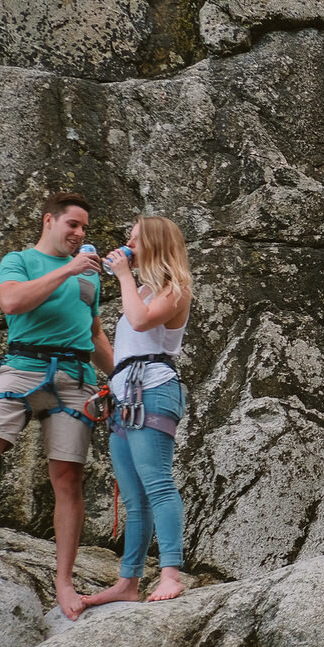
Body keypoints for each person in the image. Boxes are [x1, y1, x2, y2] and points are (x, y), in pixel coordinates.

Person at [0, 191, 113, 621]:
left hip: (74, 376)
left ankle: (64, 580)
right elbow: (12, 302)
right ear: (49, 221)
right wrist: (69, 269)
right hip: (22, 366)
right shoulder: (18, 260)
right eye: (73, 224)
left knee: (67, 475)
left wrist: (124, 374)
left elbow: (94, 334)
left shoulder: (92, 279)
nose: (80, 233)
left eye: (85, 228)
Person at [82, 215, 194, 605]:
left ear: (156, 243)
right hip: (125, 393)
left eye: (135, 239)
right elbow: (120, 357)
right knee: (134, 497)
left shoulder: (174, 287)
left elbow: (142, 321)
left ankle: (170, 573)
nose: (127, 244)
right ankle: (128, 581)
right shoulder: (144, 289)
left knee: (158, 482)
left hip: (155, 389)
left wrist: (124, 275)